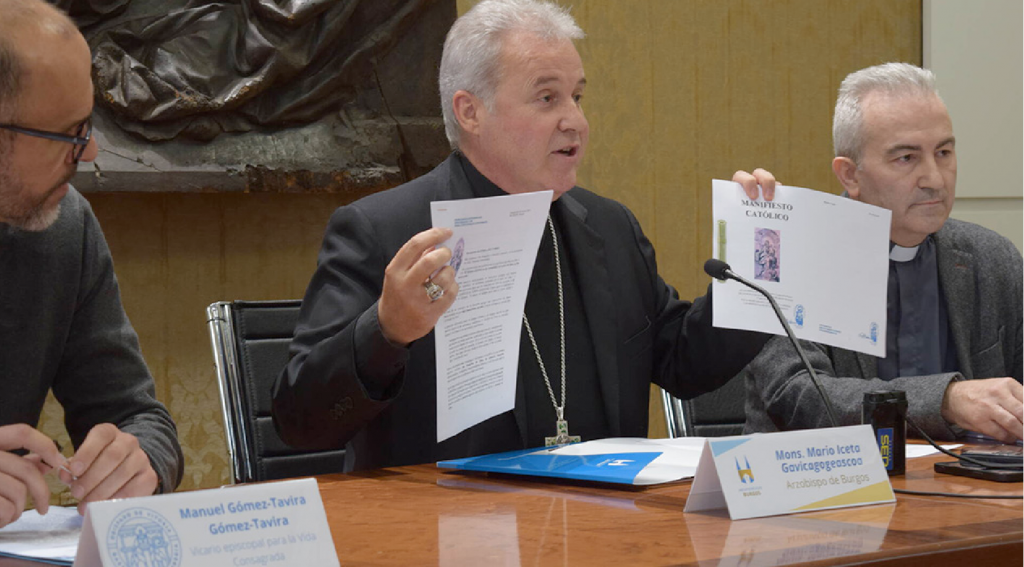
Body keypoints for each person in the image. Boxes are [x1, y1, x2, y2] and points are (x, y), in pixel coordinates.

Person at [272, 0, 773, 472]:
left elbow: (686, 364)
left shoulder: (611, 227)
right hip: (444, 526)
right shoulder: (384, 230)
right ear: (470, 112)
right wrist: (386, 331)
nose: (576, 121)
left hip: (607, 523)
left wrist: (758, 264)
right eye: (547, 98)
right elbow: (299, 422)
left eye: (577, 97)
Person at [741, 62, 1024, 442]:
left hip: (968, 477)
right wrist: (946, 399)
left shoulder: (993, 259)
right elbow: (800, 399)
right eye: (906, 158)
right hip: (823, 476)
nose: (934, 179)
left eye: (943, 152)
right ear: (850, 175)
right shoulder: (783, 256)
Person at [0, 0, 183, 528]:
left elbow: (134, 415)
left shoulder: (64, 229)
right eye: (71, 133)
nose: (90, 151)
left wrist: (137, 460)